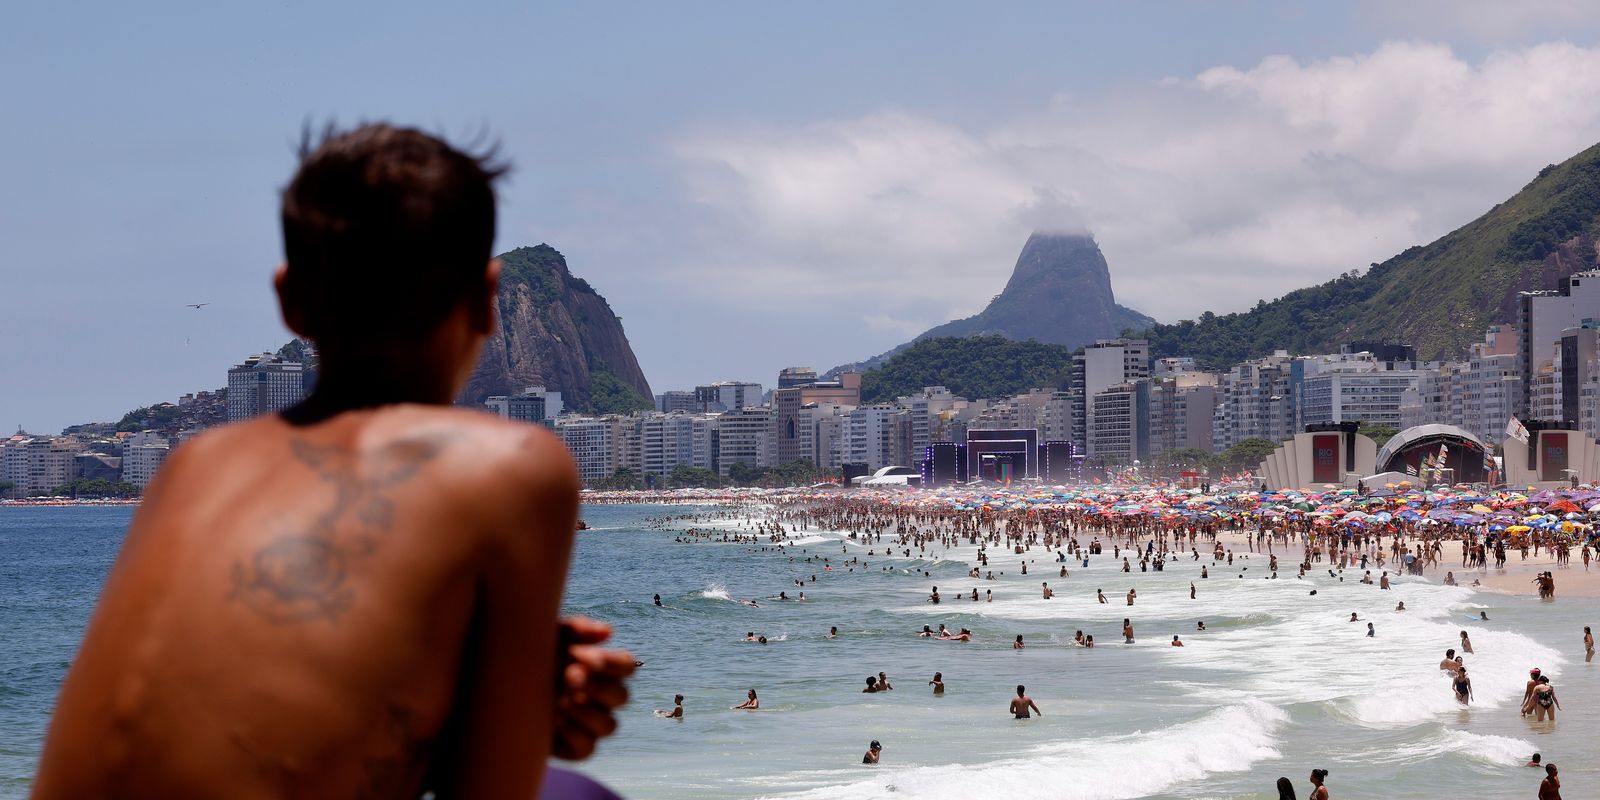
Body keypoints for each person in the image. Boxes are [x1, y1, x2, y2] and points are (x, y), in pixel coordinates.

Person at [32, 124, 634, 799]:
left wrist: (484, 687)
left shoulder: (194, 465)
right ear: (486, 298)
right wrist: (516, 705)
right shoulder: (511, 465)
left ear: (289, 300)